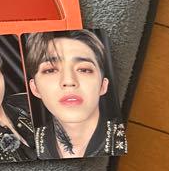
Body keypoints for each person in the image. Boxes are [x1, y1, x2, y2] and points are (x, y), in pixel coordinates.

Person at [25, 30, 128, 159]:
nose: (69, 81)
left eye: (84, 70)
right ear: (35, 88)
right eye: (50, 70)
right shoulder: (24, 147)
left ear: (103, 85)